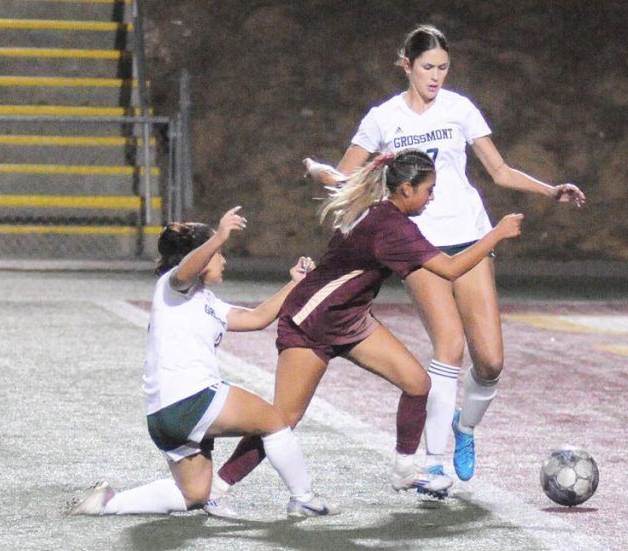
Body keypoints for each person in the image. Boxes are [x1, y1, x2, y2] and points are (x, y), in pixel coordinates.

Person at [303, 25, 586, 482]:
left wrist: (550, 189)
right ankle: (433, 462)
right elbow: (344, 177)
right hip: (417, 244)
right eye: (427, 67)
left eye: (443, 67)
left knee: (491, 361)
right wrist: (319, 171)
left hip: (470, 235)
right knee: (449, 346)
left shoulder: (459, 109)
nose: (436, 76)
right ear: (406, 65)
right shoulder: (382, 119)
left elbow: (499, 170)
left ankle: (464, 426)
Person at [206, 150, 523, 512]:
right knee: (282, 419)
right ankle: (217, 486)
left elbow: (333, 179)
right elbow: (450, 270)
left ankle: (405, 469)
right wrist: (496, 235)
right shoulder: (392, 228)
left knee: (418, 383)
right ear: (405, 188)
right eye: (428, 190)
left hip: (351, 320)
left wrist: (313, 168)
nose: (432, 197)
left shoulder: (382, 208)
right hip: (312, 322)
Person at [71, 207, 339, 518]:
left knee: (194, 494)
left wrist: (296, 283)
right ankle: (303, 497)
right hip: (190, 399)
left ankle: (107, 503)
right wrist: (220, 235)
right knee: (275, 419)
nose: (223, 260)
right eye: (218, 253)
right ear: (199, 255)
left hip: (165, 416)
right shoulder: (172, 287)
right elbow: (185, 271)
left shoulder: (206, 301)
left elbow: (256, 318)